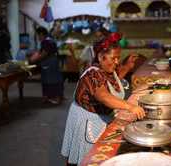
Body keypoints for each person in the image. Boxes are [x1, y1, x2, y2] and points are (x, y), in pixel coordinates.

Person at [61, 32, 145, 165]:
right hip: (86, 119)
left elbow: (114, 83)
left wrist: (128, 66)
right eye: (114, 58)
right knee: (86, 157)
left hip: (99, 117)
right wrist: (131, 106)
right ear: (100, 57)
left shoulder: (107, 70)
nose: (117, 62)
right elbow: (104, 96)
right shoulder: (93, 74)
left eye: (118, 58)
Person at [35, 26, 64, 104]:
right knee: (52, 80)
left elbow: (44, 53)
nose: (37, 37)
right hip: (53, 61)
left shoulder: (45, 41)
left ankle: (56, 98)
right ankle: (48, 97)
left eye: (38, 35)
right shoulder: (50, 40)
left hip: (49, 62)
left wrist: (34, 60)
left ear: (41, 34)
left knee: (51, 81)